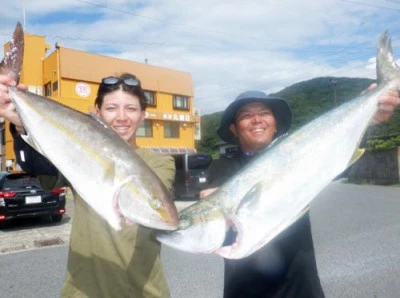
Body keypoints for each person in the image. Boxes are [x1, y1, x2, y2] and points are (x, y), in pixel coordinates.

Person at [200, 88, 400, 298]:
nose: (257, 119)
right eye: (246, 115)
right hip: (245, 289)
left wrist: (367, 115)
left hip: (299, 284)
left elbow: (339, 161)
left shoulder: (298, 155)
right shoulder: (222, 168)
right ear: (234, 128)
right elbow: (213, 205)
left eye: (265, 113)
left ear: (275, 123)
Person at [0, 73, 175, 298]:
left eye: (131, 109)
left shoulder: (159, 162)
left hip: (144, 292)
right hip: (81, 291)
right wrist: (21, 124)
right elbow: (40, 166)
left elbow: (155, 203)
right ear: (98, 113)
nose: (122, 117)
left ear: (143, 115)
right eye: (112, 108)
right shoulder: (77, 152)